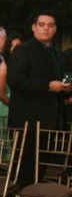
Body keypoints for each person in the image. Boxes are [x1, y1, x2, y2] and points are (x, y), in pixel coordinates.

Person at [8, 13, 71, 186]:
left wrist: (66, 89)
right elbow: (15, 80)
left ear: (55, 29)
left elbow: (62, 77)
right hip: (27, 121)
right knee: (23, 170)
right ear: (34, 27)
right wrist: (47, 86)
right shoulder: (23, 49)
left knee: (40, 169)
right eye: (42, 24)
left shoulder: (57, 52)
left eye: (50, 25)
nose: (46, 28)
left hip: (50, 121)